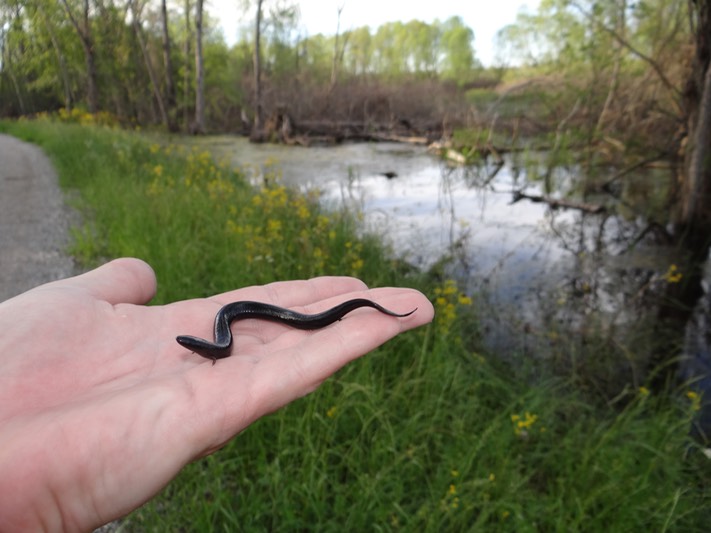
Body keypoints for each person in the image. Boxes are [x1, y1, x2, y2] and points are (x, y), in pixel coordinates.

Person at [0, 258, 433, 531]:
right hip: (227, 330)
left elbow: (228, 339)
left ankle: (367, 306)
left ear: (198, 348)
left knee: (312, 318)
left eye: (190, 345)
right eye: (191, 345)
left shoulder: (219, 339)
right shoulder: (217, 341)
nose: (186, 346)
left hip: (240, 326)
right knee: (269, 323)